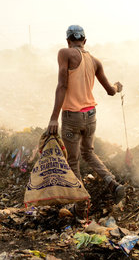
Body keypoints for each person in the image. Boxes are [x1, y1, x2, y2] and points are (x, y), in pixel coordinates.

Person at [47, 25, 125, 216]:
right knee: (88, 153)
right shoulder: (95, 61)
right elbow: (110, 90)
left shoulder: (65, 53)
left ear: (68, 41)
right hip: (91, 116)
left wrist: (53, 118)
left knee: (73, 161)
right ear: (85, 40)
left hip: (72, 117)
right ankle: (113, 184)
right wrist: (117, 86)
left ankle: (81, 207)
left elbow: (62, 85)